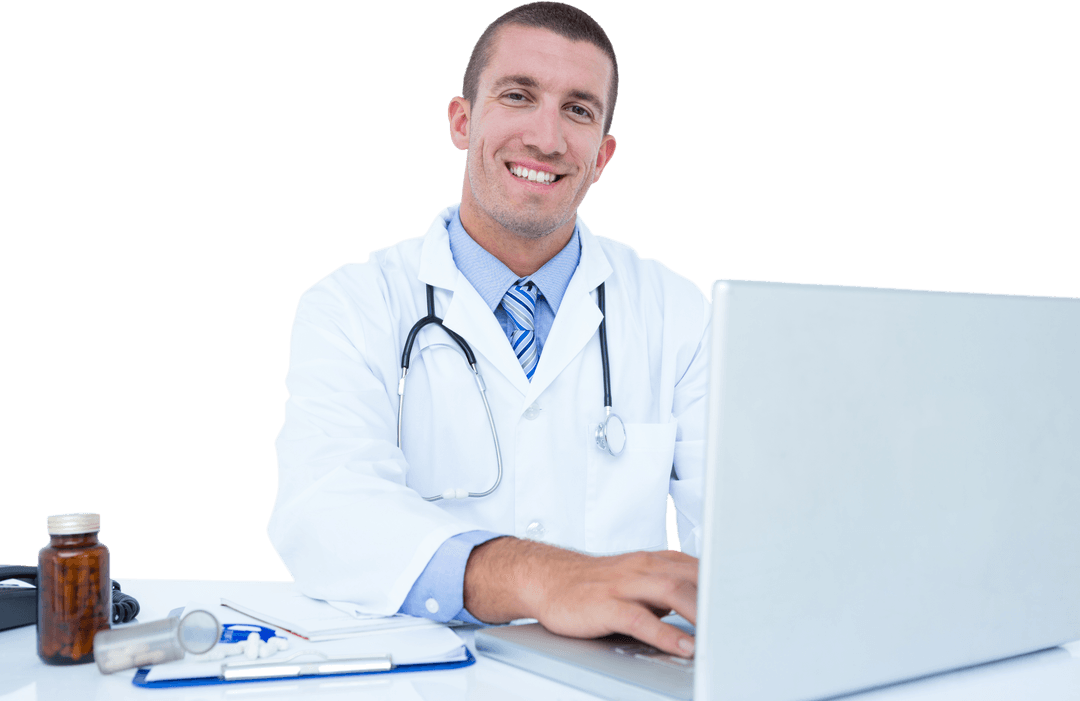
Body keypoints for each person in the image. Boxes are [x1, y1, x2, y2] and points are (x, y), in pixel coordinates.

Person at [267, 2, 707, 658]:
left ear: (603, 155)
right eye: (518, 96)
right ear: (462, 120)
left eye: (579, 110)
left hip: (622, 675)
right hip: (420, 677)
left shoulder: (677, 308)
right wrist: (543, 578)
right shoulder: (352, 304)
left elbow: (741, 526)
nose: (547, 137)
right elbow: (327, 509)